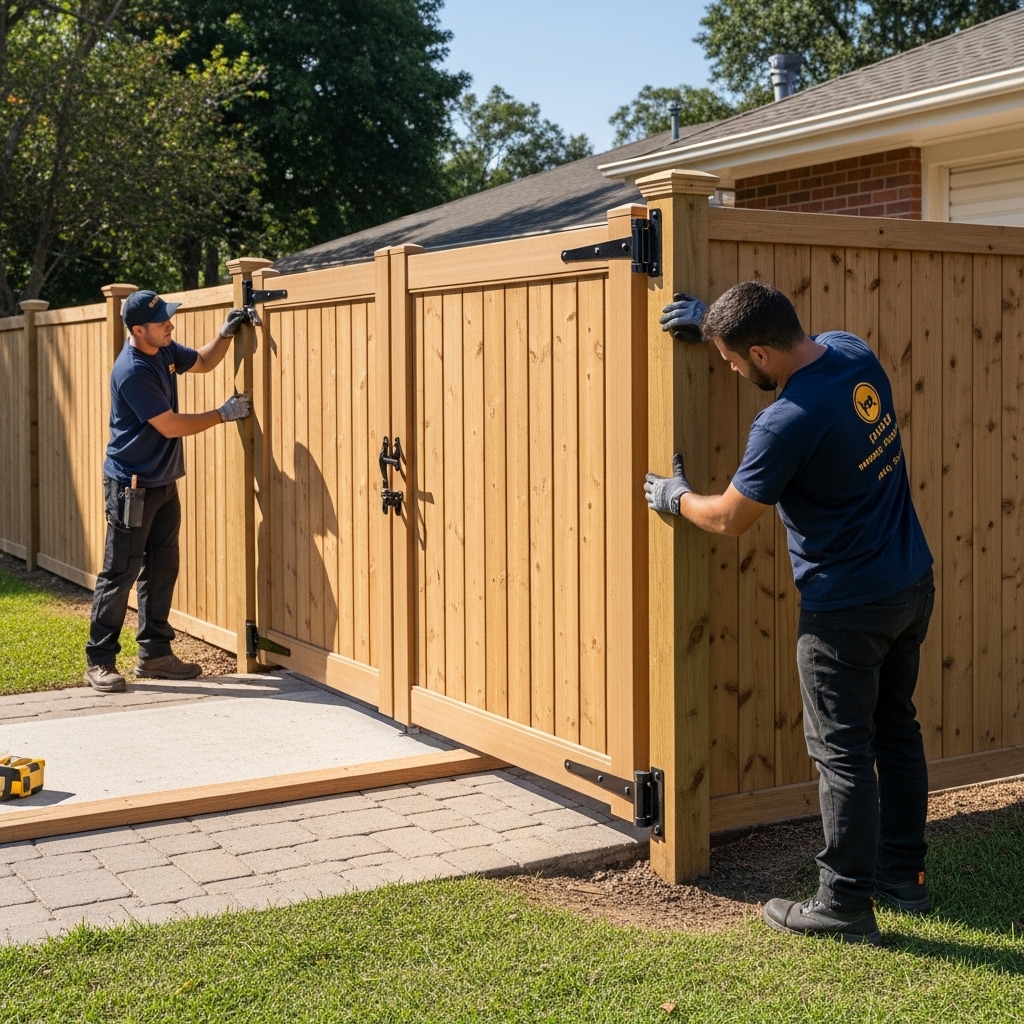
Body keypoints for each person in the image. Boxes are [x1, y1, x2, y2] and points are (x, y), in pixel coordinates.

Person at [647, 283, 934, 947]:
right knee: (897, 730)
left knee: (841, 755)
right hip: (911, 582)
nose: (728, 370)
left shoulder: (786, 421)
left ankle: (842, 905)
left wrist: (675, 496)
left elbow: (728, 518)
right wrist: (709, 322)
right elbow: (785, 340)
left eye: (730, 360)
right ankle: (904, 878)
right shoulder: (850, 352)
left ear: (758, 353)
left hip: (847, 610)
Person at [84, 290, 251, 693]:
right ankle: (100, 661)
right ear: (138, 330)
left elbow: (206, 361)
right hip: (132, 488)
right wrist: (221, 414)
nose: (170, 326)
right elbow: (170, 425)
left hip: (162, 483)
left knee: (162, 569)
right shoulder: (133, 369)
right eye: (162, 323)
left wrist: (226, 333)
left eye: (168, 320)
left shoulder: (163, 350)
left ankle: (155, 655)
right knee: (120, 573)